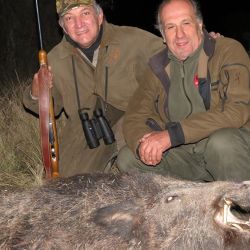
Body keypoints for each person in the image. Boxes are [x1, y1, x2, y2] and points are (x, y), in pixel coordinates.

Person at [23, 0, 166, 177]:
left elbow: (173, 53)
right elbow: (53, 107)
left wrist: (206, 43)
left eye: (85, 13)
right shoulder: (55, 60)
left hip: (134, 117)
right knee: (66, 184)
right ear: (63, 27)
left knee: (144, 160)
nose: (79, 24)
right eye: (69, 18)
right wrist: (37, 94)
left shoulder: (133, 39)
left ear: (99, 16)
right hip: (88, 127)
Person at [117, 0, 250, 182]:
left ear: (200, 24)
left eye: (186, 23)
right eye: (170, 27)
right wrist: (145, 143)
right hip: (187, 158)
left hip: (231, 149)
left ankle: (240, 208)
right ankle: (181, 208)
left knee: (222, 143)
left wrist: (172, 136)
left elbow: (237, 111)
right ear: (163, 35)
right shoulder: (157, 67)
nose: (179, 35)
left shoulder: (227, 50)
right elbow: (134, 116)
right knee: (129, 158)